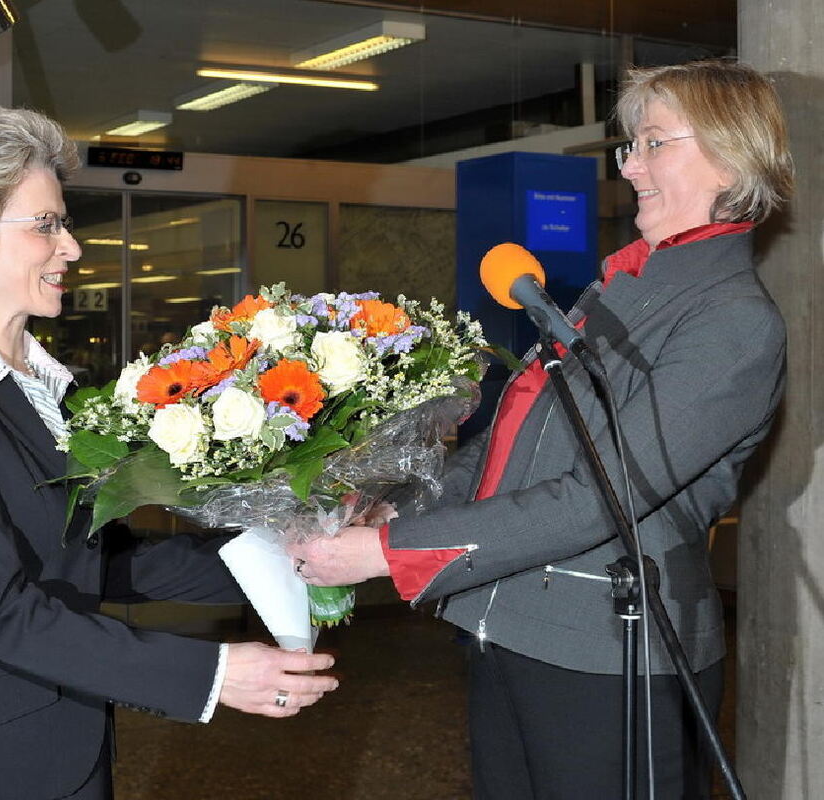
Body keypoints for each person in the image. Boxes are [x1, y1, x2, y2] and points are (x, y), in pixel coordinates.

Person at [289, 59, 793, 798]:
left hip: (609, 655)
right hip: (514, 626)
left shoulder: (732, 322)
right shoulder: (623, 287)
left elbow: (596, 498)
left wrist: (387, 553)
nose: (630, 165)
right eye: (629, 145)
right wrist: (403, 509)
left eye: (653, 142)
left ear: (729, 155)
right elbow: (506, 446)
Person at [0, 105, 338, 800]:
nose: (72, 248)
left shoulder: (37, 388)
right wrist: (212, 675)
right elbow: (0, 612)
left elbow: (98, 560)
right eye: (47, 225)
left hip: (64, 741)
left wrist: (301, 556)